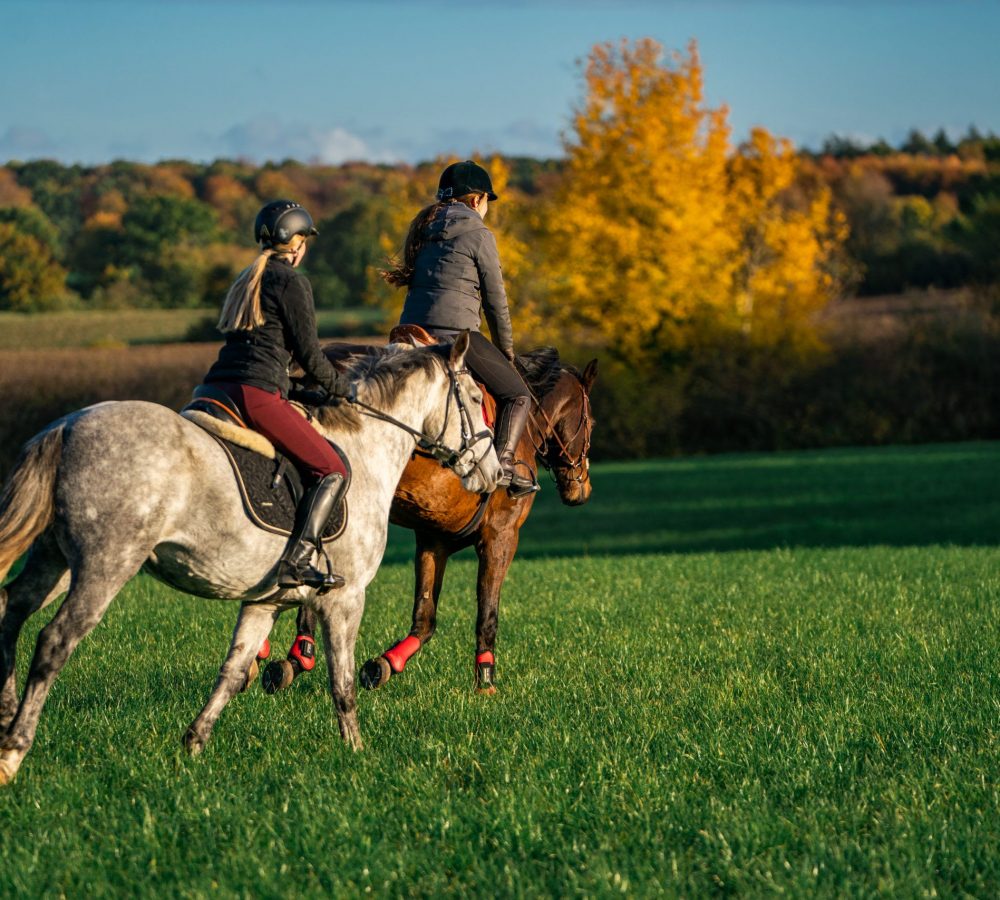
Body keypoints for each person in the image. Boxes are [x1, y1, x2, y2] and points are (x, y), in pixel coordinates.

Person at [202, 199, 352, 590]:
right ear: (297, 243)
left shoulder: (246, 277)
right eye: (305, 239)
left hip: (216, 388)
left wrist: (300, 390)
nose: (305, 246)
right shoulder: (291, 282)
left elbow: (263, 351)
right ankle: (296, 562)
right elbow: (310, 354)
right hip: (255, 395)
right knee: (331, 468)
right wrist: (342, 389)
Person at [384, 160, 538, 497]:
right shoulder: (479, 234)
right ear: (477, 200)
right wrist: (506, 351)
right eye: (487, 203)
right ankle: (505, 466)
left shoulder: (423, 229)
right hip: (455, 336)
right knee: (518, 394)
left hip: (410, 333)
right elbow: (496, 302)